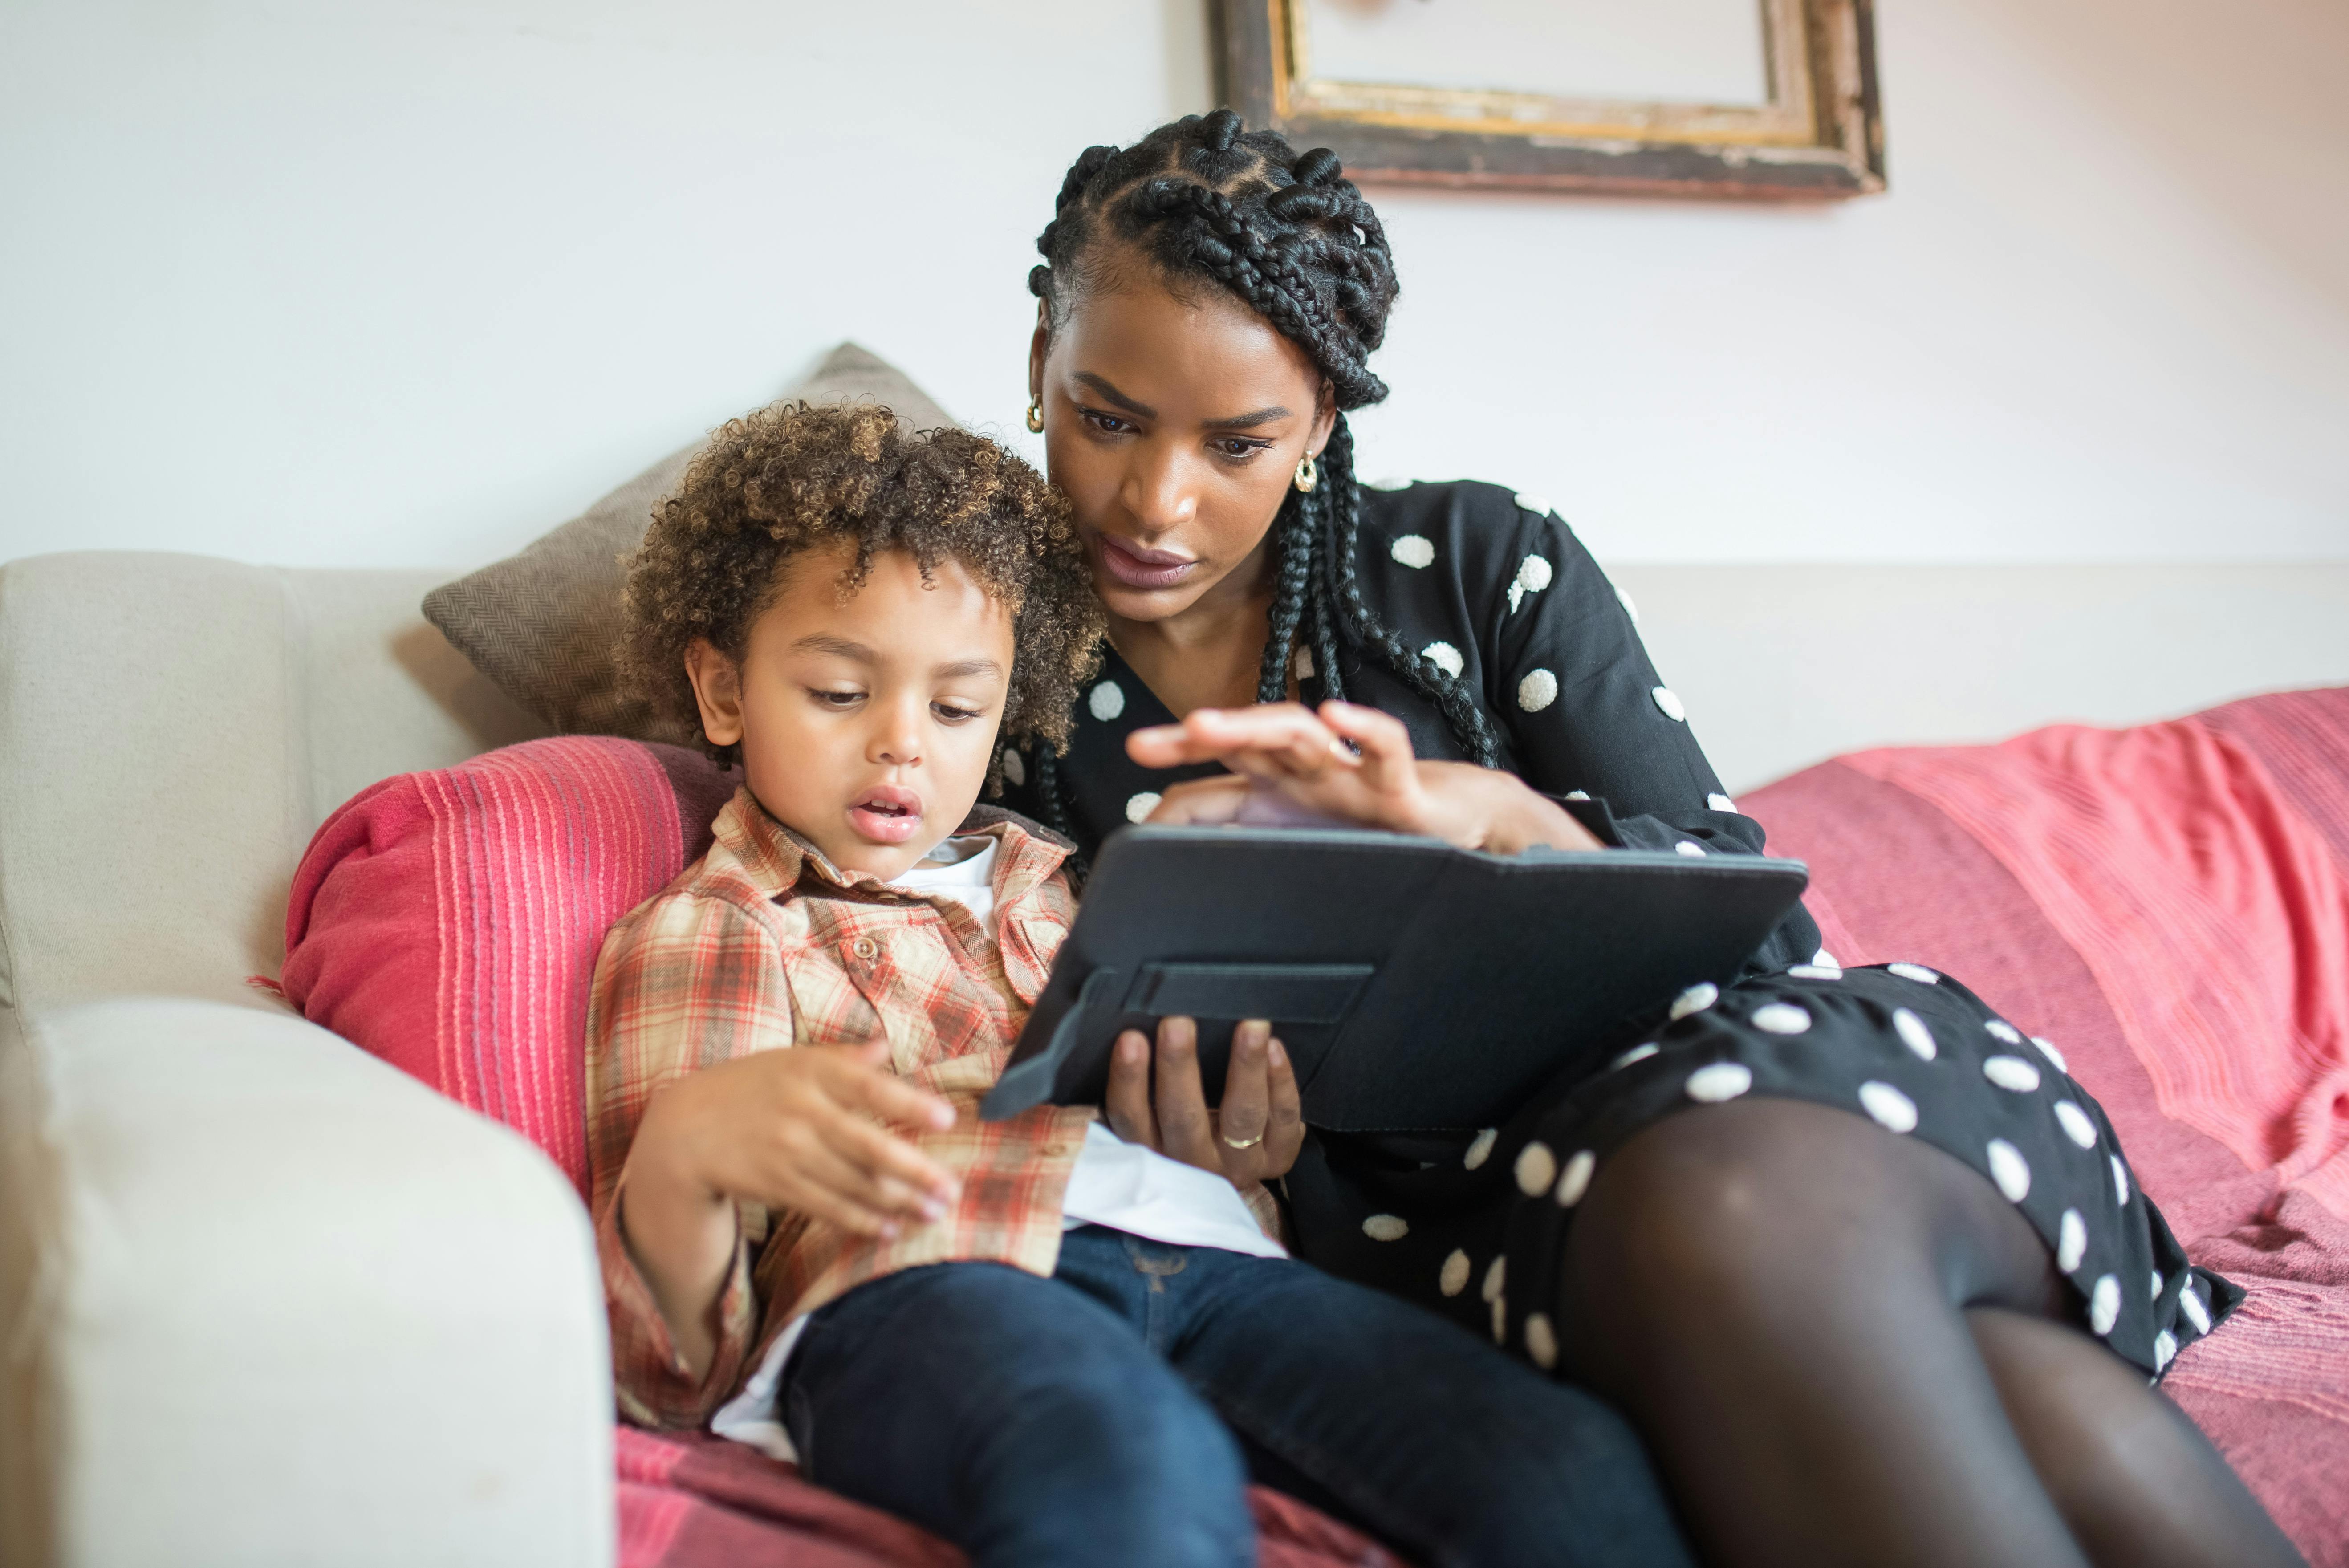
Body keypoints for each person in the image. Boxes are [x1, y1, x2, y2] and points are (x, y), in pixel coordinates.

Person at [994, 109, 2304, 1568]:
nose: (1155, 500)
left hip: (1778, 1094)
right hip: (1464, 1233)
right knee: (1999, 1383)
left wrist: (1486, 814)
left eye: (1237, 443)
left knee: (1727, 1197)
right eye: (1104, 416)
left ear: (1318, 428)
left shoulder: (1481, 563)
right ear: (1036, 363)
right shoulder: (976, 666)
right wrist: (1200, 1153)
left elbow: (1760, 934)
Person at [584, 399, 1696, 1568]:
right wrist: (685, 1156)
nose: (904, 742)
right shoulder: (717, 927)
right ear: (722, 691)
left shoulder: (1073, 885)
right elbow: (671, 1371)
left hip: (1217, 1271)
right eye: (838, 692)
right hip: (931, 1287)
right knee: (1124, 1461)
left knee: (1562, 1466)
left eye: (957, 707)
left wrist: (1246, 1158)